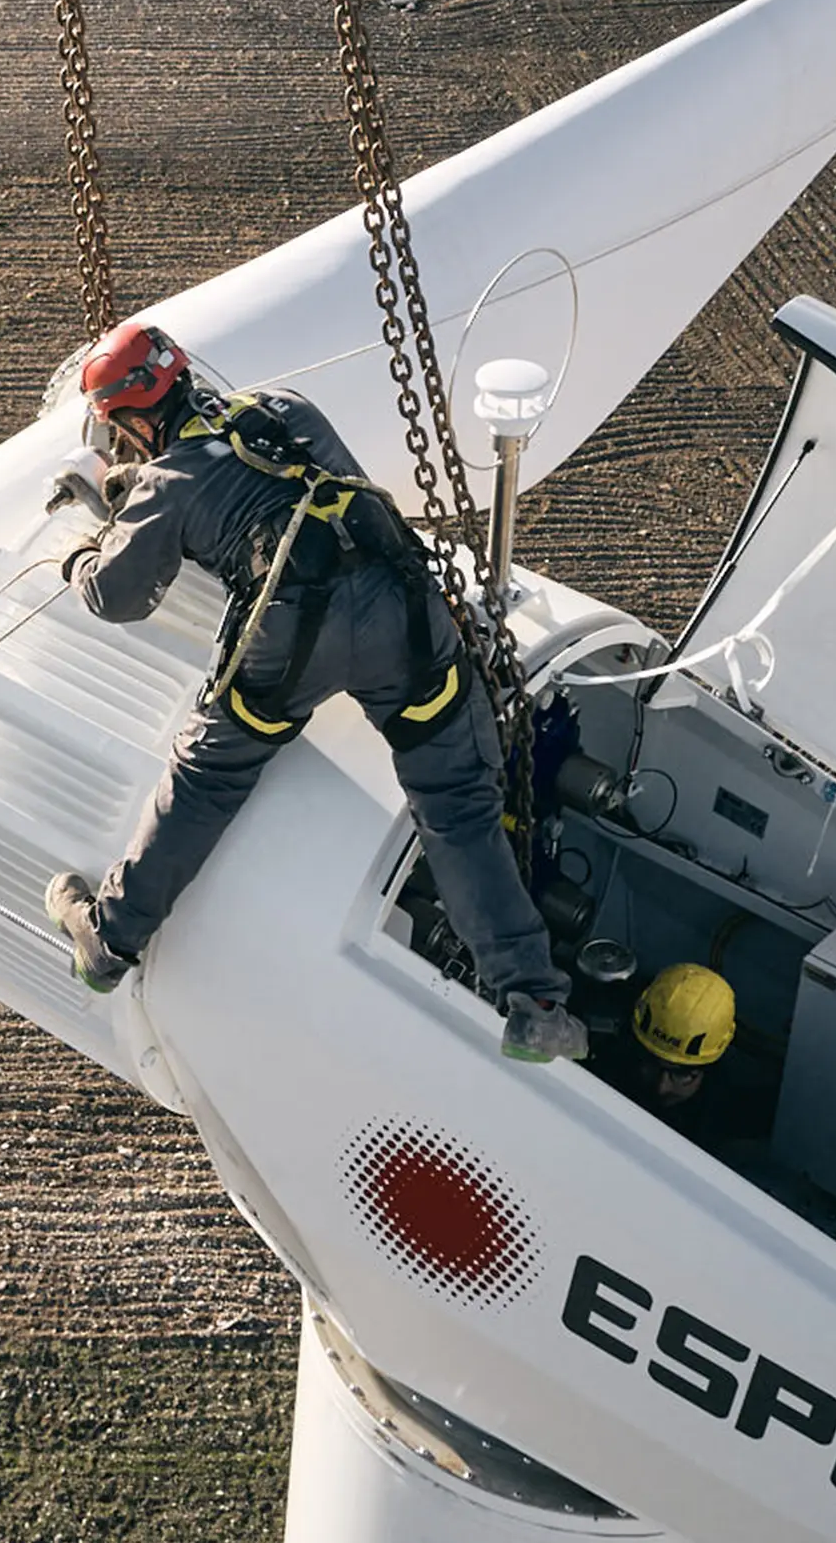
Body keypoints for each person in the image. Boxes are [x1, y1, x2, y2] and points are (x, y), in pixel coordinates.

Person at [43, 319, 586, 1064]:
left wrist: (79, 547)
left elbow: (117, 595)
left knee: (207, 780)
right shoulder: (284, 410)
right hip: (405, 615)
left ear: (134, 419)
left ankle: (109, 940)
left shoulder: (167, 485)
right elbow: (305, 492)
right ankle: (534, 999)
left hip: (293, 636)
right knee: (458, 802)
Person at [589, 963, 775, 1149]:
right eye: (652, 1065)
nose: (662, 1087)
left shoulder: (720, 1114)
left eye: (682, 1075)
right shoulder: (605, 1052)